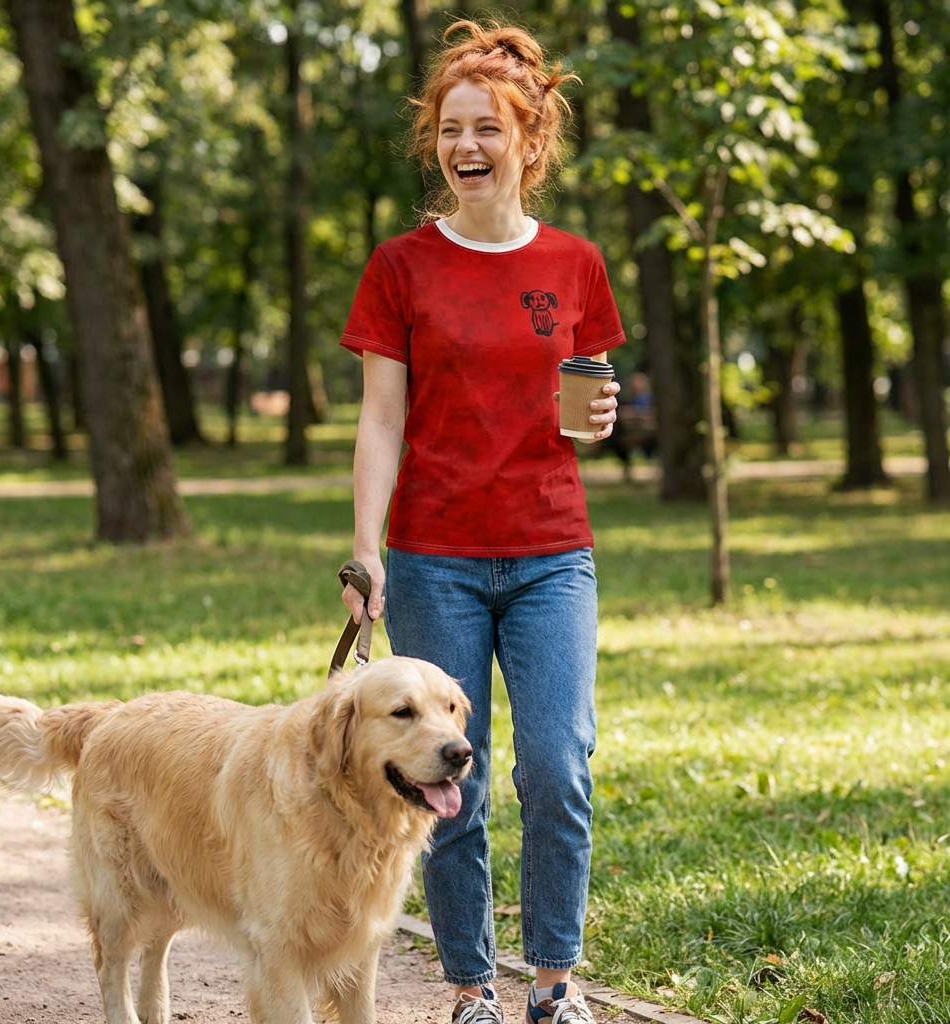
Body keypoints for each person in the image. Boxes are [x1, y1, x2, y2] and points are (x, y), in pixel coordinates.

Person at [340, 20, 624, 1024]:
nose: (464, 147)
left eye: (485, 130)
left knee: (557, 764)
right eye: (449, 130)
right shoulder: (401, 265)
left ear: (526, 141)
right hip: (432, 556)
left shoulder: (576, 265)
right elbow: (382, 417)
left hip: (551, 551)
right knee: (444, 777)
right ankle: (470, 988)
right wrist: (365, 546)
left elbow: (585, 407)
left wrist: (602, 413)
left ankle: (554, 980)